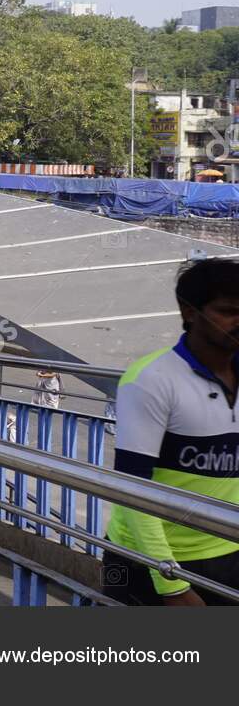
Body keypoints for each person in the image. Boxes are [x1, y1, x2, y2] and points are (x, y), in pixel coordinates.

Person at [106, 258, 239, 606]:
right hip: (143, 560)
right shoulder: (151, 380)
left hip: (227, 547)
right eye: (228, 311)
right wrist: (171, 583)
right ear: (190, 312)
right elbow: (133, 487)